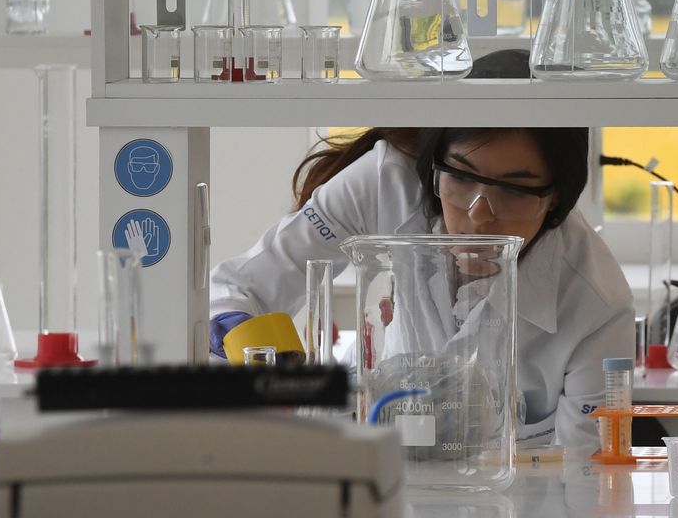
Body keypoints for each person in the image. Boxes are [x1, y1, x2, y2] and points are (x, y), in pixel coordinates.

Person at [208, 120, 634, 450]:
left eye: (514, 191)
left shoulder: (597, 301)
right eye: (461, 177)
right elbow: (236, 289)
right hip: (386, 464)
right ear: (434, 169)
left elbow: (585, 475)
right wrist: (273, 365)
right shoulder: (386, 182)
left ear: (555, 198)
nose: (479, 215)